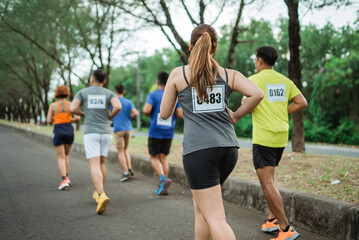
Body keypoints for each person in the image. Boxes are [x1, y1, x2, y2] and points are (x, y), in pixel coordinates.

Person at [160, 24, 263, 240]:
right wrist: (235, 115)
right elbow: (257, 94)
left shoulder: (179, 75)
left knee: (215, 217)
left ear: (190, 46)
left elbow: (164, 113)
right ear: (214, 48)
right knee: (202, 209)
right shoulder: (228, 74)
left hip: (199, 152)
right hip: (228, 150)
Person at [246, 46, 307, 240]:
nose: (255, 63)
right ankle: (272, 219)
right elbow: (301, 102)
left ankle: (285, 227)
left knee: (266, 182)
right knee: (270, 179)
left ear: (260, 61)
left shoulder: (253, 81)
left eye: (256, 60)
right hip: (280, 136)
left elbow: (245, 104)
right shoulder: (284, 81)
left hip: (264, 137)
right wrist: (281, 112)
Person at [70, 68, 121, 214]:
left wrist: (83, 114)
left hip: (91, 132)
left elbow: (72, 108)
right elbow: (118, 106)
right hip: (105, 132)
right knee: (102, 163)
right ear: (104, 81)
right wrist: (110, 116)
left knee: (94, 164)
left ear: (92, 78)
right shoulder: (109, 93)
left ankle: (100, 194)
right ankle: (100, 192)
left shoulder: (83, 92)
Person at [143, 72, 183, 196]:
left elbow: (146, 110)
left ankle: (162, 179)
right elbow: (180, 114)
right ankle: (163, 186)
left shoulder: (152, 95)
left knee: (154, 157)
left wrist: (150, 113)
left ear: (157, 82)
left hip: (155, 131)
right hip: (168, 131)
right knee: (163, 157)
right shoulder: (174, 96)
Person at [46, 85, 80, 190]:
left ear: (56, 93)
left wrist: (55, 117)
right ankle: (67, 177)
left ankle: (63, 179)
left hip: (58, 130)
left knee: (60, 156)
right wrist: (69, 118)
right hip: (69, 130)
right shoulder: (70, 104)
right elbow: (77, 117)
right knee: (66, 155)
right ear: (67, 93)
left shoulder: (53, 106)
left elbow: (48, 121)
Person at [111, 83, 138, 182]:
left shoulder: (113, 103)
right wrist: (129, 117)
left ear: (115, 91)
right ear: (124, 91)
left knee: (120, 151)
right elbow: (135, 113)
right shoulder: (128, 102)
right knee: (126, 150)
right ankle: (130, 169)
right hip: (128, 129)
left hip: (118, 129)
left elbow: (110, 113)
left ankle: (126, 172)